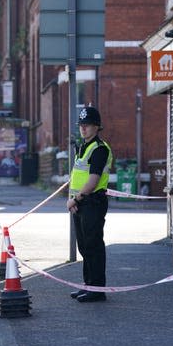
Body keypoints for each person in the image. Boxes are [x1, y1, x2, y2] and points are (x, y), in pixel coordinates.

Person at [66, 106, 113, 303]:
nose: (83, 128)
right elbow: (78, 177)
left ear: (97, 127)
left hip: (92, 202)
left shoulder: (100, 149)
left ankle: (97, 289)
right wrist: (75, 200)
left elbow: (93, 180)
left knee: (93, 246)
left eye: (88, 125)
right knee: (84, 247)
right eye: (82, 125)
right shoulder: (83, 147)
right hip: (81, 203)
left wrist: (76, 199)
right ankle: (88, 285)